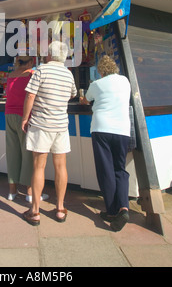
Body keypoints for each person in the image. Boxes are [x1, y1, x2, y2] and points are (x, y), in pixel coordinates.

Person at [21, 41, 77, 225]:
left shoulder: (41, 70)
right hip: (61, 126)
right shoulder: (69, 74)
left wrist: (24, 118)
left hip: (41, 125)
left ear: (50, 55)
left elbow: (30, 95)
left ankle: (35, 211)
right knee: (61, 166)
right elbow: (72, 94)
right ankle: (60, 209)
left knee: (39, 166)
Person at [80, 55, 131, 232]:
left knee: (105, 170)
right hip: (122, 130)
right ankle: (124, 207)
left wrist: (83, 100)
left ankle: (111, 211)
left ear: (101, 71)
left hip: (101, 128)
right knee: (120, 169)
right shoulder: (125, 81)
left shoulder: (96, 84)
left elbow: (86, 100)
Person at [5, 56, 49, 203]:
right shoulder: (31, 74)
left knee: (12, 152)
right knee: (28, 154)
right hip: (23, 116)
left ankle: (12, 192)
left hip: (8, 114)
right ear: (30, 62)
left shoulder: (10, 75)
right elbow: (32, 95)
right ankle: (30, 193)